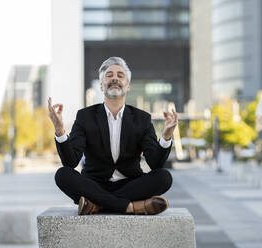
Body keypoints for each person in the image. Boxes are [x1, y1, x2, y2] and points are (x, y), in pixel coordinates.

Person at [48, 57, 178, 215]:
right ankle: (132, 207)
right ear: (101, 85)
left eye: (120, 75)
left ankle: (97, 205)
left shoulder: (142, 119)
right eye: (109, 75)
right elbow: (70, 162)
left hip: (130, 185)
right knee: (63, 175)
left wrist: (166, 136)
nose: (115, 78)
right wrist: (60, 130)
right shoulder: (85, 116)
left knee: (164, 177)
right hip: (94, 184)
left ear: (128, 85)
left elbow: (155, 164)